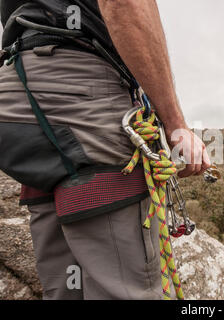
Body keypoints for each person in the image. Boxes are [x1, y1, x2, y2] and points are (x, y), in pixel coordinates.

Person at [0, 0, 211, 299]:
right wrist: (176, 124)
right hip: (82, 98)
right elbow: (123, 3)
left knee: (65, 288)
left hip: (18, 103)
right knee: (124, 290)